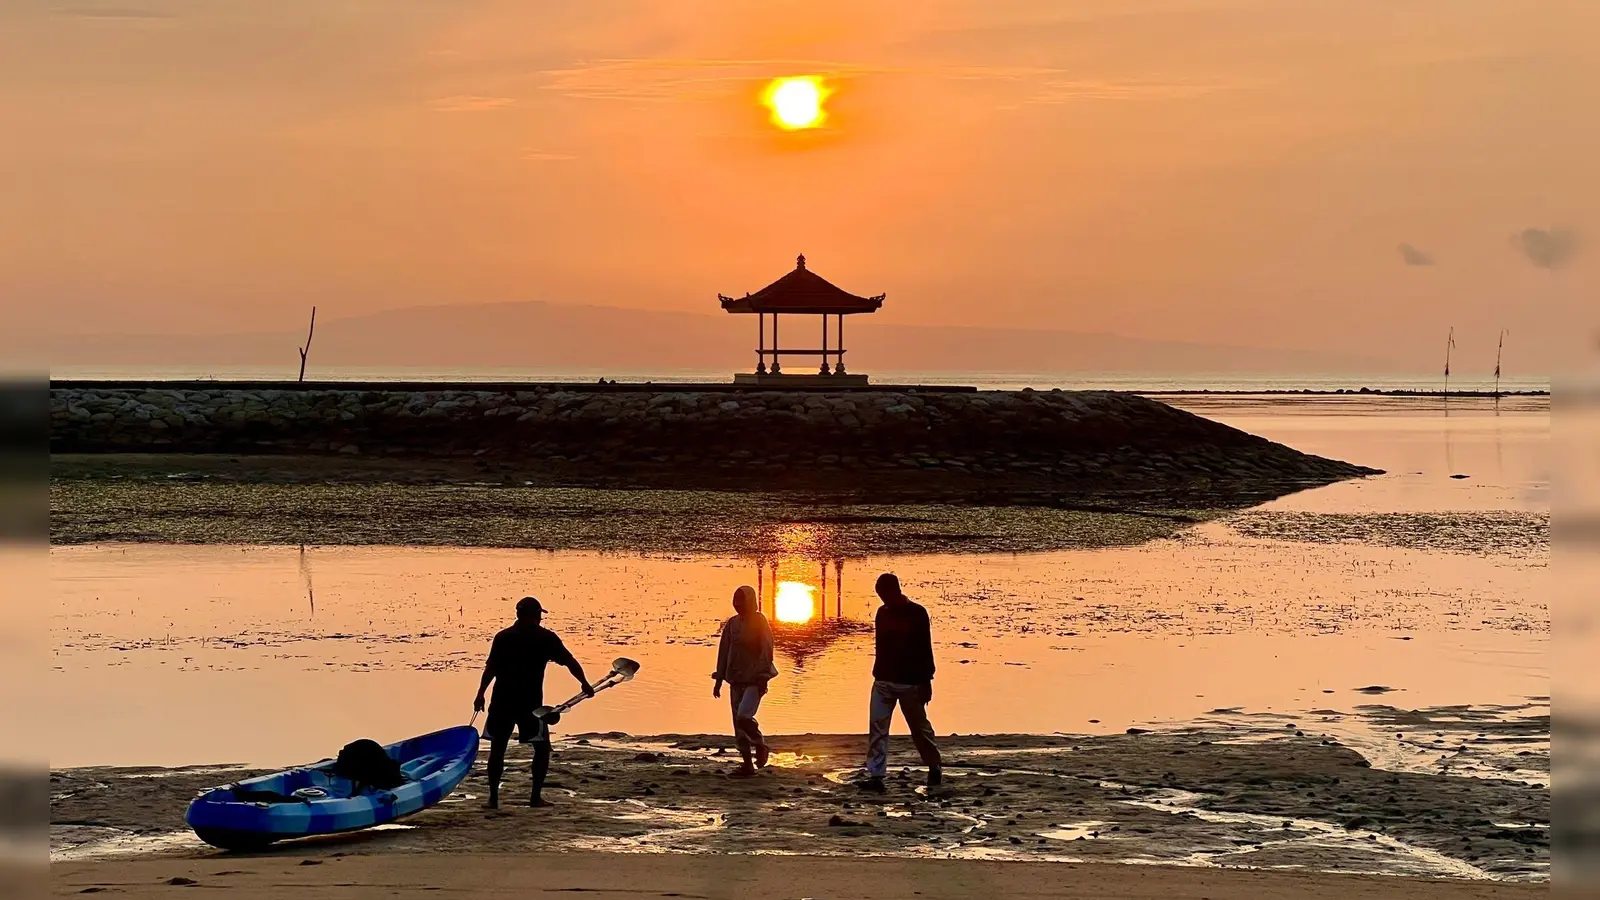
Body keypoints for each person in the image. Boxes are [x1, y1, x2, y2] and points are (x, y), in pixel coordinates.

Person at [473, 596, 593, 809]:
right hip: (531, 704)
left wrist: (480, 694)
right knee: (541, 748)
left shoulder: (503, 637)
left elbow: (491, 668)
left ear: (518, 615)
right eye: (539, 614)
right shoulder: (545, 638)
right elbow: (569, 661)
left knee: (498, 748)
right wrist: (584, 683)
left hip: (502, 700)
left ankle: (493, 798)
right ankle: (535, 797)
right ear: (537, 615)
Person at [860, 572, 942, 793]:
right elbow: (880, 647)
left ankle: (934, 765)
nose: (883, 600)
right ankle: (876, 774)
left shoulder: (917, 613)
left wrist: (927, 680)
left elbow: (925, 648)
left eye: (885, 595)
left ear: (895, 591)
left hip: (911, 682)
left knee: (919, 728)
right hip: (884, 679)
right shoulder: (882, 613)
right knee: (877, 727)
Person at [712, 585, 778, 777]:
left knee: (744, 717)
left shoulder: (759, 621)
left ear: (751, 601)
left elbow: (767, 649)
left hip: (755, 679)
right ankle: (747, 764)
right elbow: (724, 652)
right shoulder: (732, 624)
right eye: (736, 601)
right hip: (735, 679)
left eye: (742, 601)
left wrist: (763, 677)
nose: (738, 605)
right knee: (737, 723)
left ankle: (759, 744)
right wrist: (719, 678)